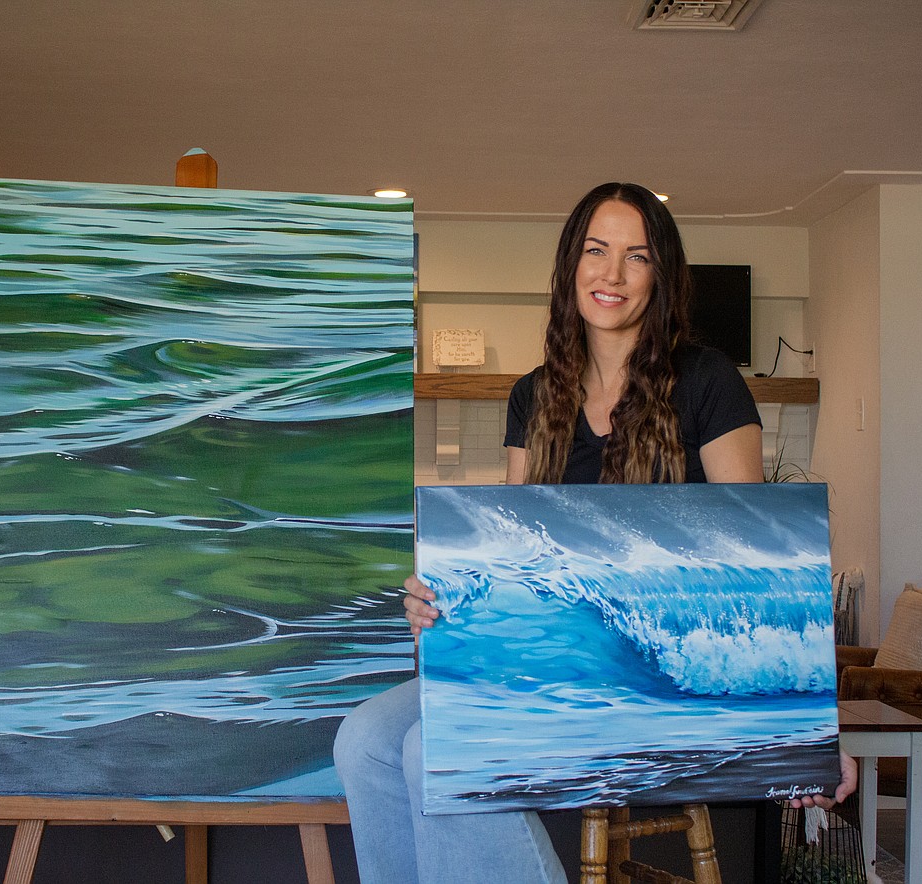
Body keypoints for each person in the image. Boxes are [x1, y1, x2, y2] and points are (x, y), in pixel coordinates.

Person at [333, 182, 853, 884]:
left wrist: (809, 730)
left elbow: (757, 566)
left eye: (636, 257)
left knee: (437, 745)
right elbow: (510, 554)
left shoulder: (707, 380)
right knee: (363, 739)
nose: (611, 274)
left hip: (660, 682)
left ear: (661, 276)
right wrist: (440, 600)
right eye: (596, 251)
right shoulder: (533, 395)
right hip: (551, 664)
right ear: (570, 266)